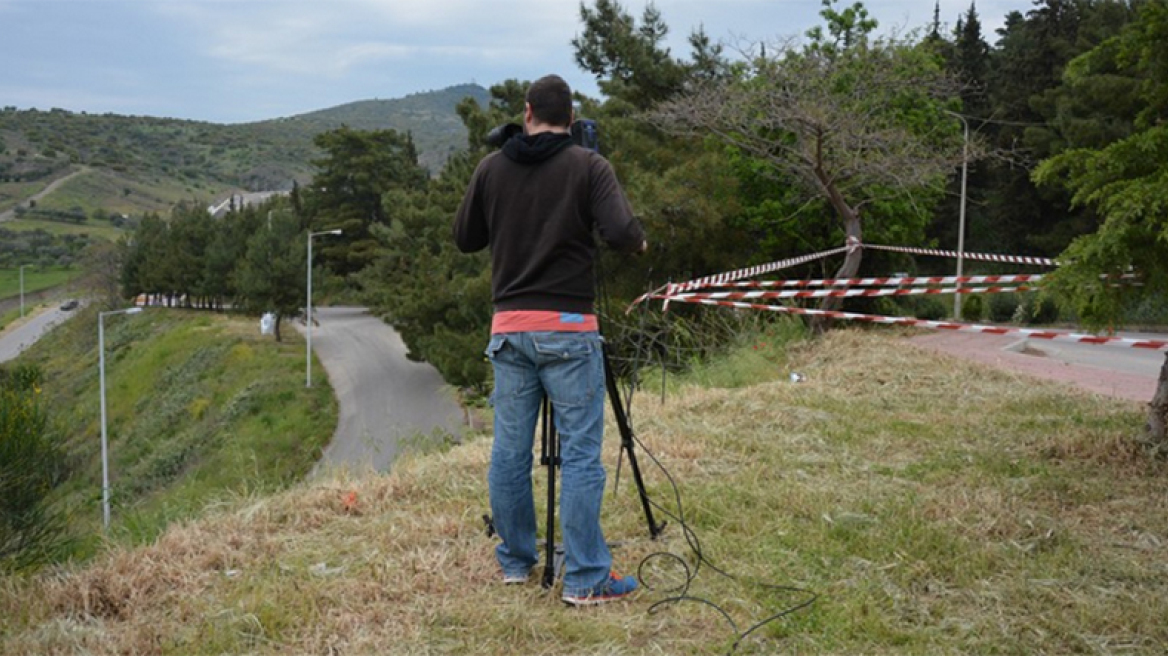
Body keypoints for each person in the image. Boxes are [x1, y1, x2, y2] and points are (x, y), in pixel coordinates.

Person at [453, 74, 647, 606]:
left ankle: (516, 562)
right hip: (569, 331)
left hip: (510, 332)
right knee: (582, 456)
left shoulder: (492, 167)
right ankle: (585, 579)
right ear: (573, 117)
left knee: (509, 453)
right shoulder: (590, 166)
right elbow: (625, 234)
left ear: (528, 110)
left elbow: (465, 237)